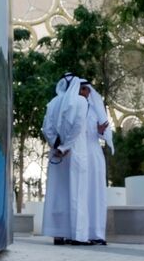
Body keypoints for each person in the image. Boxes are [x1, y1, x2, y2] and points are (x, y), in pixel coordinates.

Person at [42, 74, 90, 245]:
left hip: (57, 154)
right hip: (75, 152)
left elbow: (46, 128)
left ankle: (59, 234)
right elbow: (77, 126)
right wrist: (66, 147)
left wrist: (57, 146)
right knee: (77, 192)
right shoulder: (81, 102)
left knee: (59, 193)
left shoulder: (53, 102)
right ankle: (77, 236)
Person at [79, 80, 113, 245]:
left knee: (96, 193)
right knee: (82, 193)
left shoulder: (94, 110)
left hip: (94, 153)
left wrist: (100, 131)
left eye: (86, 89)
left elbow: (103, 132)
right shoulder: (75, 109)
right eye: (82, 89)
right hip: (79, 151)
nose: (84, 92)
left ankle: (97, 233)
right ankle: (81, 233)